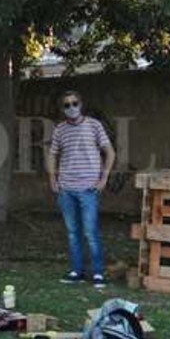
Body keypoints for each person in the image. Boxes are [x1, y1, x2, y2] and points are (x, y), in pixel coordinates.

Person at [47, 89, 115, 289]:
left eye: (74, 103)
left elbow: (110, 152)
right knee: (72, 232)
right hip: (66, 189)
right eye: (67, 105)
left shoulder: (94, 125)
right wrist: (52, 177)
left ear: (81, 104)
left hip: (88, 188)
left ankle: (98, 273)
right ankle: (76, 271)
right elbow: (52, 154)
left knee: (90, 232)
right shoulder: (60, 129)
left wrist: (104, 178)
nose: (71, 108)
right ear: (63, 108)